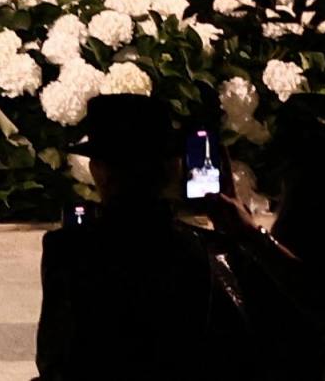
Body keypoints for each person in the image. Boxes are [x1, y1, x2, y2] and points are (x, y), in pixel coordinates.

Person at [34, 89, 251, 374]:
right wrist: (240, 236)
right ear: (173, 169)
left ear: (99, 172)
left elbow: (55, 357)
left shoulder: (68, 249)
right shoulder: (208, 251)